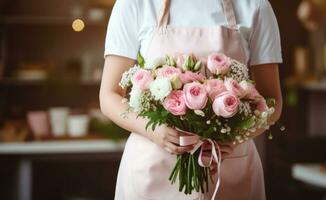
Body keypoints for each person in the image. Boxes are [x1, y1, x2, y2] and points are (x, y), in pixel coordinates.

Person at [99, 0, 283, 199]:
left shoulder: (255, 6)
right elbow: (109, 95)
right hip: (152, 169)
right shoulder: (134, 4)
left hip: (228, 167)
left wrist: (234, 137)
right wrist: (153, 131)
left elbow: (272, 101)